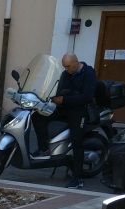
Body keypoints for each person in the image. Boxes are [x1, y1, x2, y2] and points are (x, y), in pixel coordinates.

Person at [31, 52, 97, 189]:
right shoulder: (66, 74)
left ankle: (77, 179)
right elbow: (60, 88)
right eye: (64, 67)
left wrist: (64, 99)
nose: (66, 69)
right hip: (64, 107)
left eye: (67, 66)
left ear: (75, 63)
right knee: (38, 116)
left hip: (80, 110)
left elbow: (87, 96)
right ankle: (44, 149)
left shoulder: (89, 73)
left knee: (77, 141)